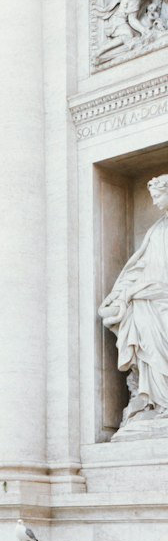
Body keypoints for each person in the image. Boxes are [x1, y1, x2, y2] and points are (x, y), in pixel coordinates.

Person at [100, 174, 168, 423]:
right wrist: (119, 296)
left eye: (158, 195)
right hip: (148, 300)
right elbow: (139, 267)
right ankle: (155, 401)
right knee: (146, 343)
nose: (154, 202)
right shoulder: (156, 229)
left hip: (161, 298)